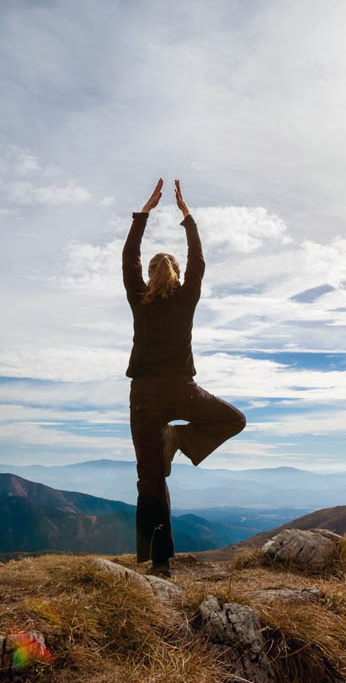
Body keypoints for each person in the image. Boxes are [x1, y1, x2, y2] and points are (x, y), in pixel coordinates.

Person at [122, 178, 246, 577]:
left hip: (143, 397)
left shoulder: (139, 300)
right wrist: (186, 215)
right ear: (175, 274)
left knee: (150, 479)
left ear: (151, 274)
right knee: (233, 419)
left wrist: (145, 211)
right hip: (180, 392)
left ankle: (161, 564)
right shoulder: (186, 295)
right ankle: (178, 438)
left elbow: (128, 258)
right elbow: (199, 259)